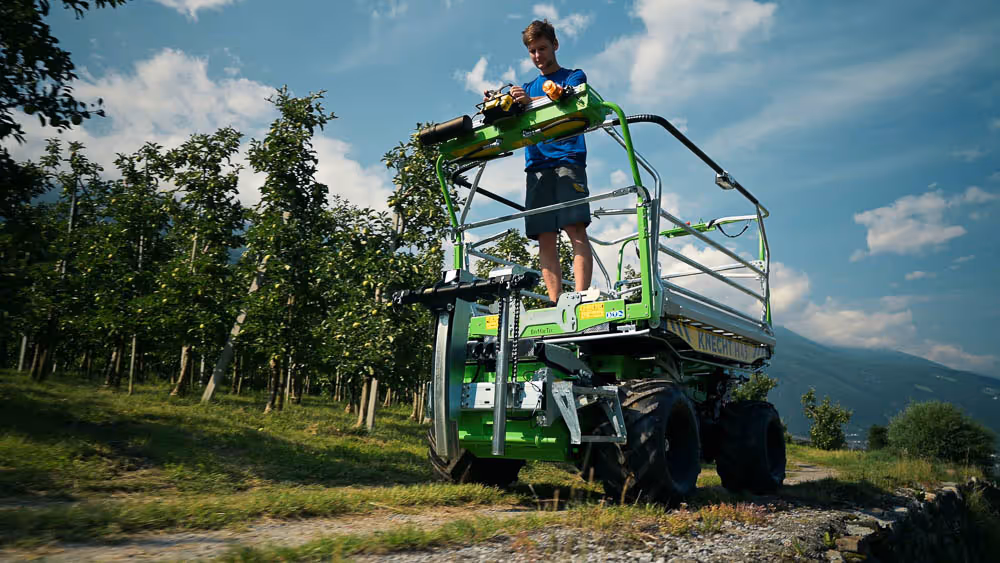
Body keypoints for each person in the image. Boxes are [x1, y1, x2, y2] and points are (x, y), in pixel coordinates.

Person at [498, 19, 592, 303]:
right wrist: (500, 103)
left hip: (567, 159)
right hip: (537, 166)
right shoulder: (526, 86)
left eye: (542, 48)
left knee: (575, 228)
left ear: (555, 46)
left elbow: (567, 102)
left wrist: (530, 101)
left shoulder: (574, 76)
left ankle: (581, 297)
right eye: (532, 51)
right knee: (544, 236)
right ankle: (555, 301)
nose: (538, 56)